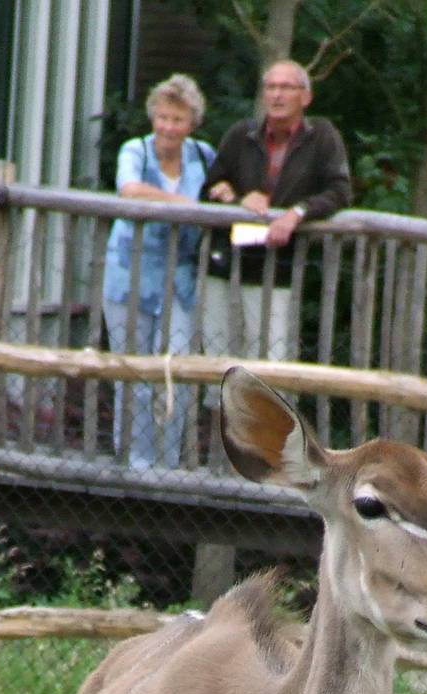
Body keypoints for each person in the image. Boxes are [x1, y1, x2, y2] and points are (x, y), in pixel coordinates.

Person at [203, 60, 351, 366]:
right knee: (217, 362)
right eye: (271, 87)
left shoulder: (322, 137)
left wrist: (297, 212)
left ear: (305, 97)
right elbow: (211, 185)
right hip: (227, 263)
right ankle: (220, 415)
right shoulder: (241, 134)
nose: (277, 95)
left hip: (280, 267)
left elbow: (339, 191)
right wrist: (237, 197)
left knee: (272, 362)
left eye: (286, 87)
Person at [102, 75, 215, 470]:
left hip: (181, 279)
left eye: (178, 119)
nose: (168, 127)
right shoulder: (136, 150)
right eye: (163, 117)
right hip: (129, 273)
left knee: (177, 372)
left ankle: (167, 462)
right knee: (131, 370)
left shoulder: (203, 155)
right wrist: (183, 203)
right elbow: (129, 189)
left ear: (191, 123)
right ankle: (134, 460)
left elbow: (224, 189)